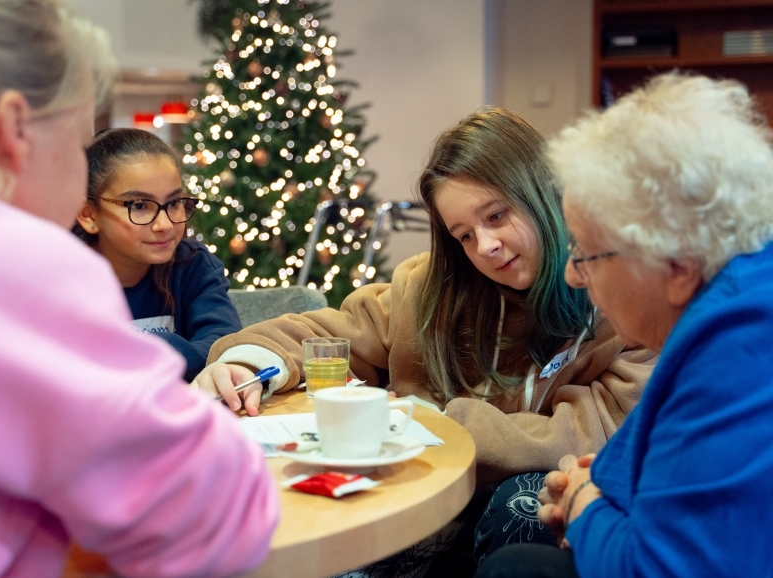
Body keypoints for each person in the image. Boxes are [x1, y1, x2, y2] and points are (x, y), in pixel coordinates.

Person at [194, 107, 656, 575]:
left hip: (526, 524)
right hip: (424, 509)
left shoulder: (629, 304)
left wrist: (431, 420)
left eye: (496, 215)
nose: (486, 246)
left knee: (524, 503)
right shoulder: (429, 288)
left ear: (543, 194)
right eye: (464, 236)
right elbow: (324, 333)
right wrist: (249, 363)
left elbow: (596, 433)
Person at [0, 1, 277, 577]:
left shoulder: (190, 264)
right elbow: (218, 513)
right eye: (75, 140)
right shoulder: (24, 265)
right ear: (14, 127)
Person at [475, 73, 773, 578]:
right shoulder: (737, 294)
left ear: (676, 267)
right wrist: (598, 487)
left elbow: (656, 569)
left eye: (588, 253)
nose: (572, 273)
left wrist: (586, 508)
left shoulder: (740, 348)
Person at [74, 128, 242, 383]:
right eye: (139, 206)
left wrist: (141, 349)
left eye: (173, 203)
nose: (164, 224)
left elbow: (224, 348)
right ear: (88, 214)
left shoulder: (193, 266)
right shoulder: (61, 277)